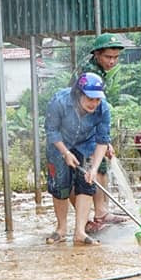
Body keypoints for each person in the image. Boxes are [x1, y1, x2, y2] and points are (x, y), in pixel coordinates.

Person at [44, 72, 112, 246]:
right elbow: (52, 131)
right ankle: (61, 229)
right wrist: (66, 153)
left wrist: (94, 168)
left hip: (86, 144)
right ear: (78, 94)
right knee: (60, 185)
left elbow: (102, 140)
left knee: (87, 183)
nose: (94, 104)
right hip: (59, 144)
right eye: (90, 99)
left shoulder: (103, 109)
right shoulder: (59, 101)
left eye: (97, 99)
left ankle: (80, 232)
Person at [74, 32, 127, 232]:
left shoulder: (99, 70)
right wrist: (101, 140)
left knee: (100, 167)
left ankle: (100, 212)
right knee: (88, 171)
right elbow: (89, 107)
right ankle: (91, 218)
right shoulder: (89, 72)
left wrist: (104, 141)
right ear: (97, 54)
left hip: (91, 127)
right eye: (108, 57)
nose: (112, 61)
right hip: (79, 128)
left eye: (115, 57)